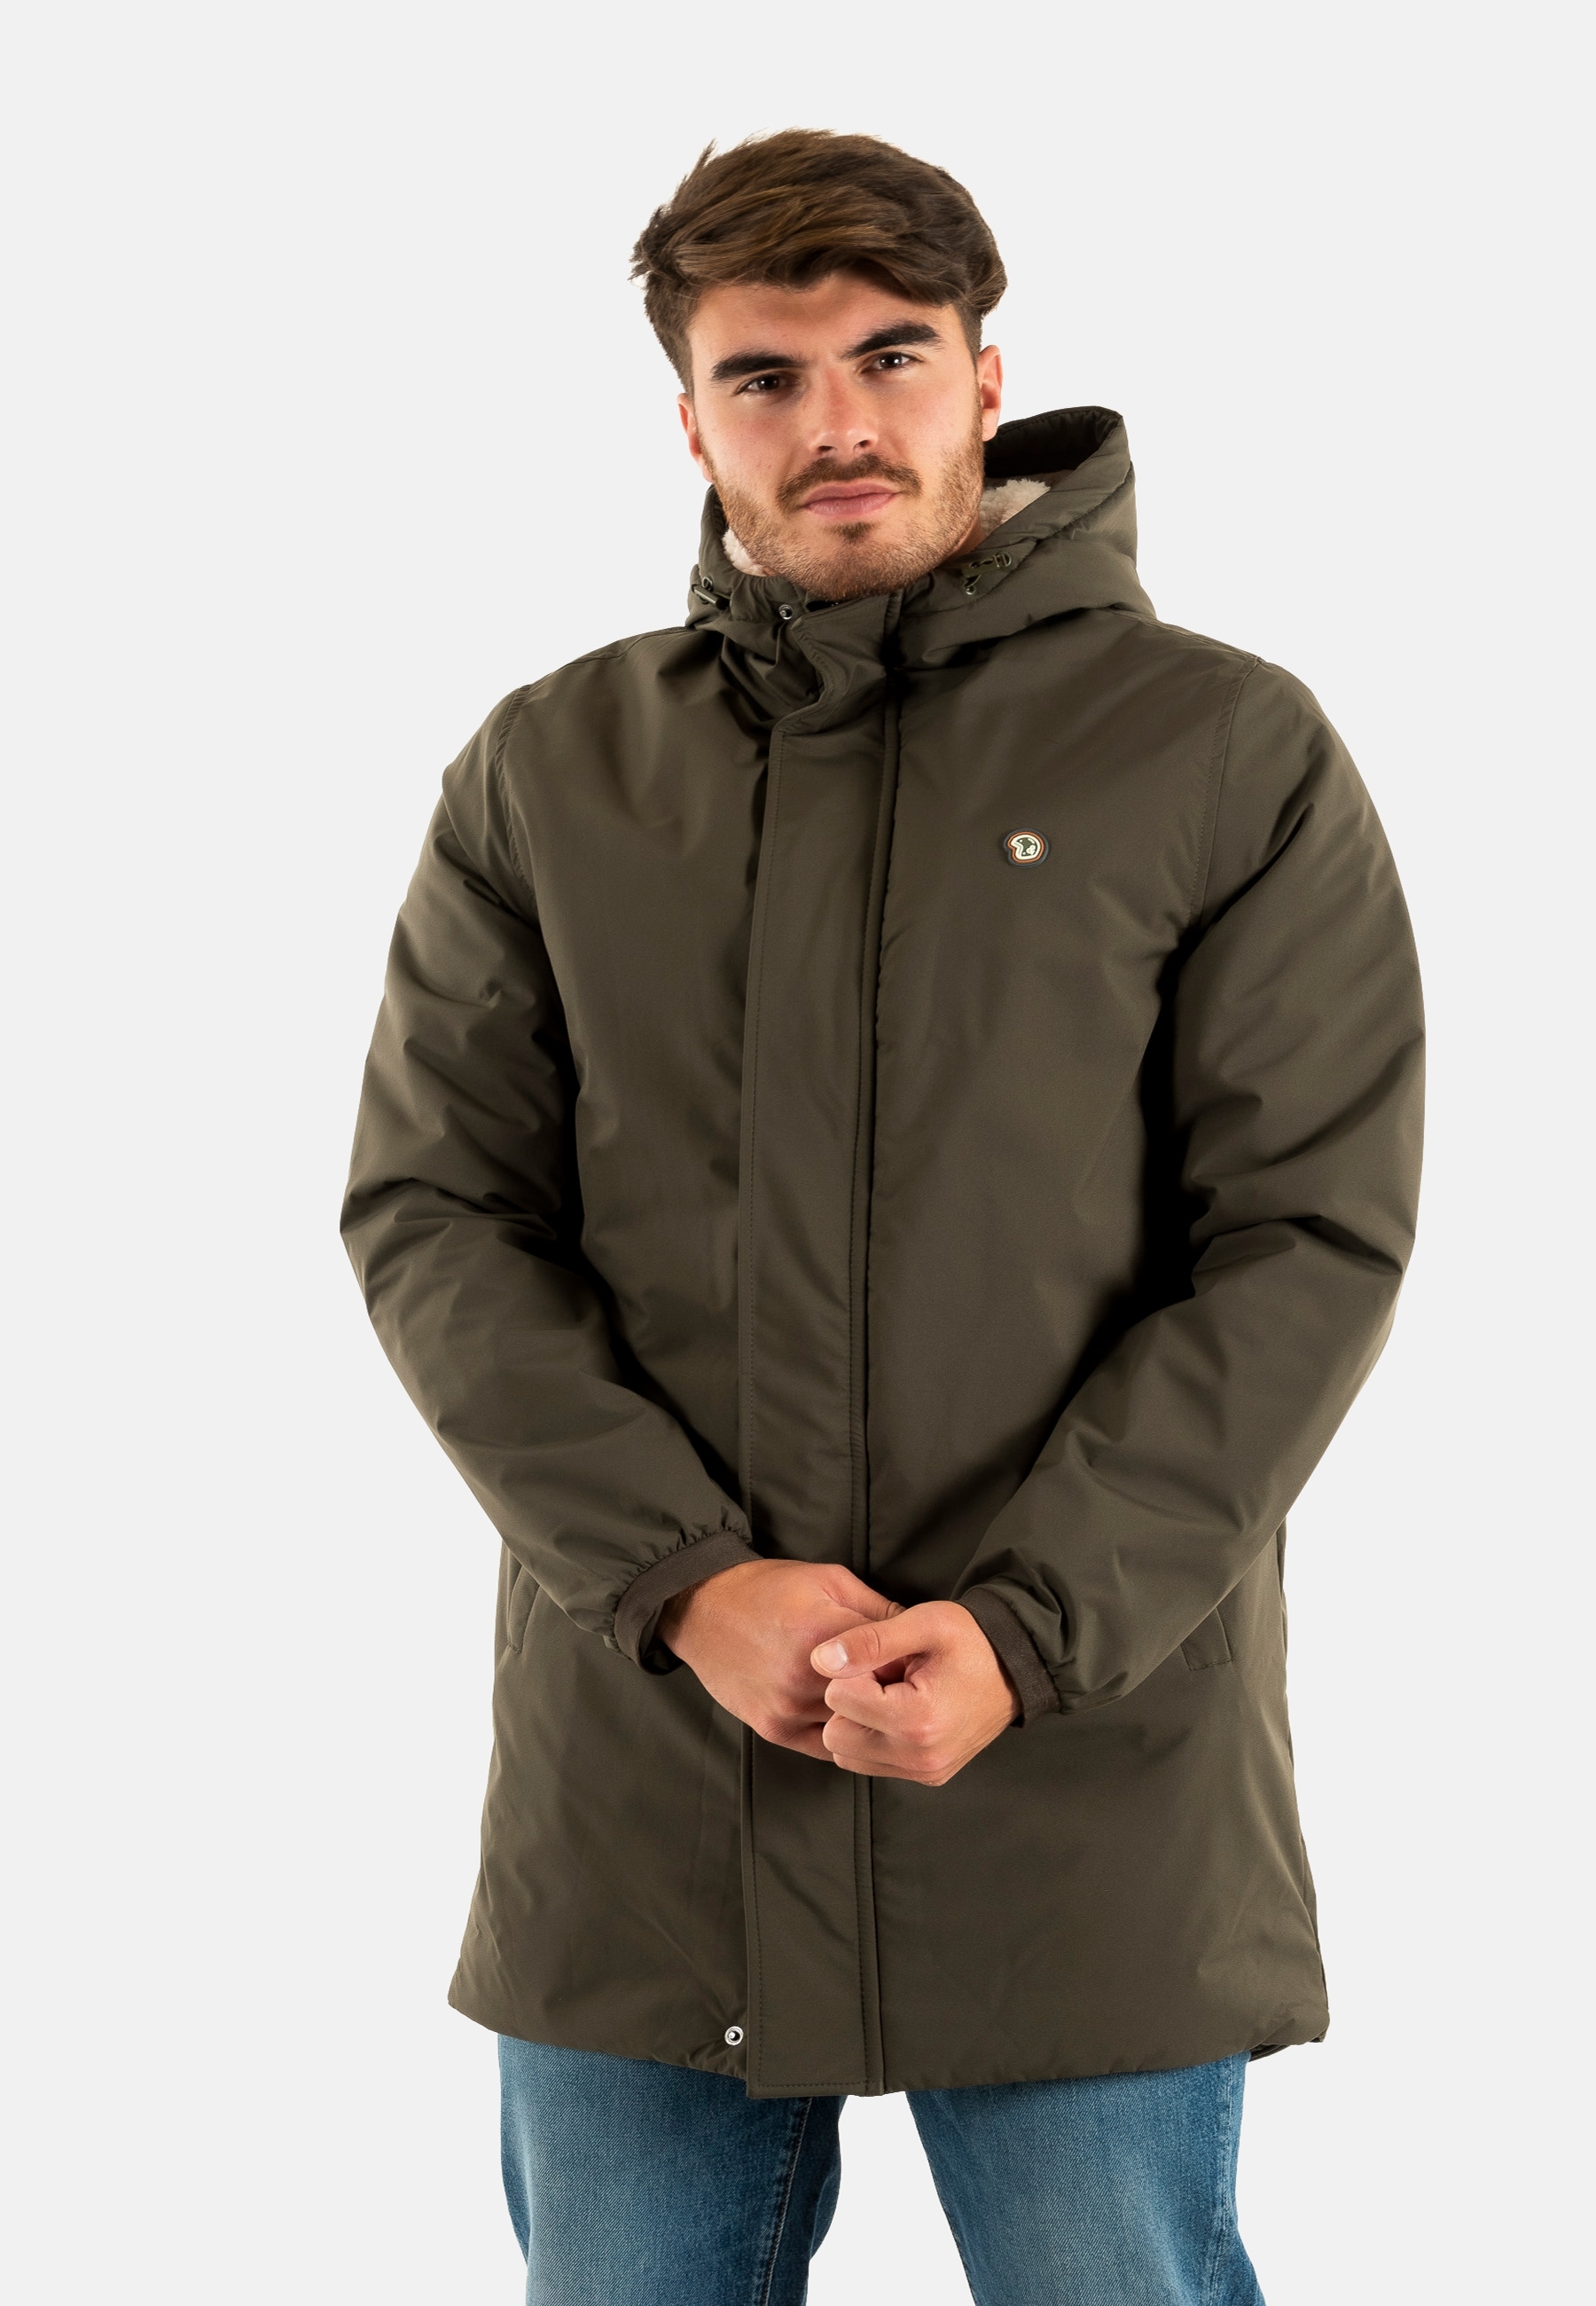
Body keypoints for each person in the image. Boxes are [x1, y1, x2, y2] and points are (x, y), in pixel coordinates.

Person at [341, 129, 1424, 2306]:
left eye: (892, 356)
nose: (836, 421)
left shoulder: (1221, 749)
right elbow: (440, 1215)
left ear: (985, 376)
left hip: (1083, 1760)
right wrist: (687, 1583)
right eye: (766, 374)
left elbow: (1302, 1242)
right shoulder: (554, 769)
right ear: (691, 418)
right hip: (654, 1769)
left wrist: (1027, 1631)